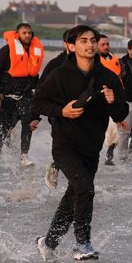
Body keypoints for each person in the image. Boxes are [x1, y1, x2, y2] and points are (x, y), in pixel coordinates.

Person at [34, 25, 128, 260]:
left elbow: (119, 114)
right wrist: (61, 111)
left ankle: (48, 242)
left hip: (92, 146)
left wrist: (113, 101)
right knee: (85, 188)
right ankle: (82, 243)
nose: (89, 45)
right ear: (72, 45)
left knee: (73, 195)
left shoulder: (108, 77)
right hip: (65, 145)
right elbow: (37, 104)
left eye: (93, 40)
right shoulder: (59, 74)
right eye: (84, 40)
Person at [0, 22, 44, 167]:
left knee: (28, 124)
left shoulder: (33, 52)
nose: (27, 35)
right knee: (6, 126)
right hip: (8, 96)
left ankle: (24, 155)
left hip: (26, 95)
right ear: (17, 34)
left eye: (29, 33)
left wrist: (37, 92)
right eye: (24, 33)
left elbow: (34, 75)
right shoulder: (7, 50)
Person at [38, 29, 76, 188]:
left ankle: (74, 180)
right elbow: (40, 91)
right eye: (72, 43)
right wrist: (35, 117)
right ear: (66, 44)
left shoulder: (89, 64)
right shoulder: (55, 64)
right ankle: (56, 166)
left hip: (83, 113)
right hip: (58, 113)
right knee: (65, 145)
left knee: (80, 146)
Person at [95, 35, 124, 166]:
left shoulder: (115, 59)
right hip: (98, 98)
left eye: (107, 44)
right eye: (103, 44)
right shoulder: (93, 61)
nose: (106, 46)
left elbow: (121, 76)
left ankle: (110, 154)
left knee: (114, 128)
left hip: (114, 98)